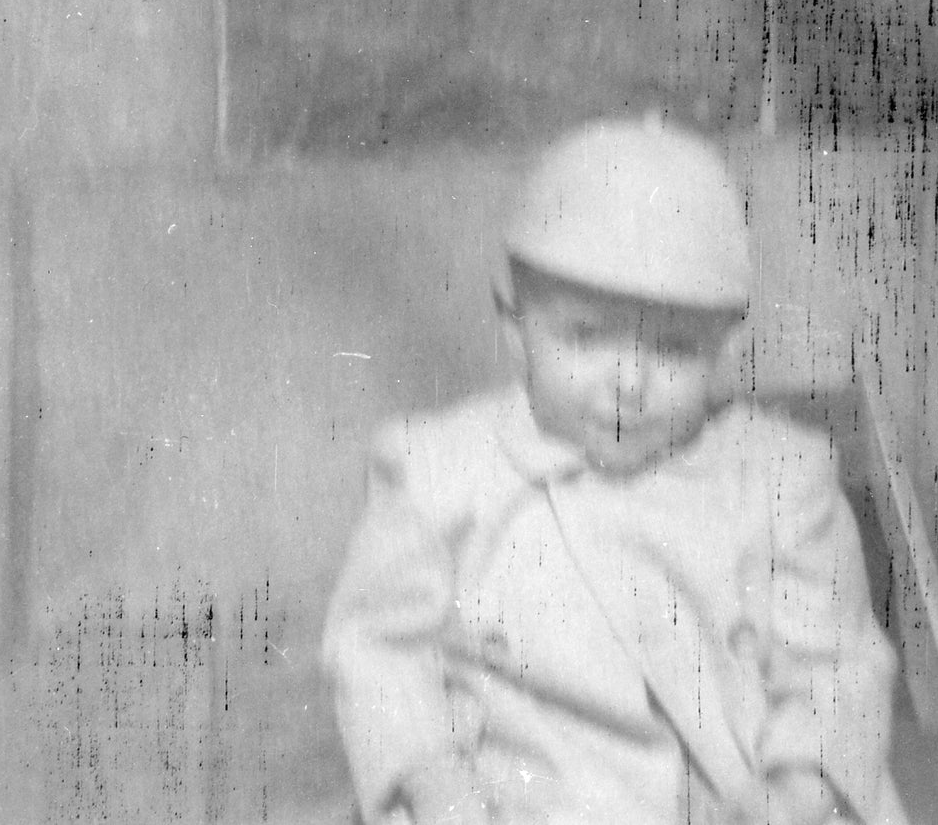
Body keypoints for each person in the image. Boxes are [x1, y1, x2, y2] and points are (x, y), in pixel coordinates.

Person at [322, 117, 908, 825]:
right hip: (509, 798)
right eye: (585, 337)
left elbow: (834, 671)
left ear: (723, 349)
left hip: (738, 801)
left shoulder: (779, 481)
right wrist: (436, 784)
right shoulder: (439, 471)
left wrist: (798, 793)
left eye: (671, 348)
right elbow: (381, 656)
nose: (628, 382)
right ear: (515, 328)